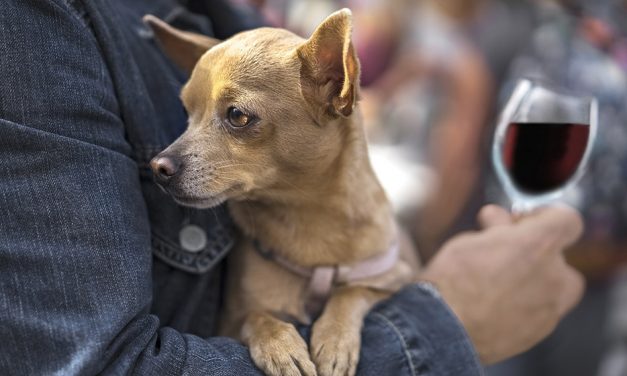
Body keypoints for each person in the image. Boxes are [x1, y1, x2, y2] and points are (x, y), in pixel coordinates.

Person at [0, 1, 583, 375]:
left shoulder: (230, 23)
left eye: (237, 118)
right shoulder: (43, 25)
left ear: (335, 82)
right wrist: (443, 324)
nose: (167, 160)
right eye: (192, 115)